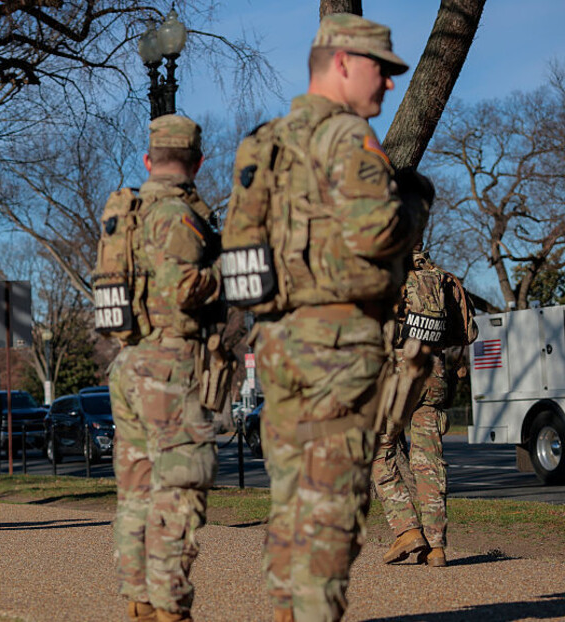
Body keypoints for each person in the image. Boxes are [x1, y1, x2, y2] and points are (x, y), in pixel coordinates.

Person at [222, 13, 429, 621]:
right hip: (338, 348)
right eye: (381, 68)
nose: (389, 83)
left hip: (280, 343)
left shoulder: (262, 144)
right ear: (342, 63)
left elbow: (240, 250)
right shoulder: (345, 136)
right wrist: (415, 202)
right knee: (332, 513)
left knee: (294, 507)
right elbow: (378, 231)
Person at [107, 114, 220, 622]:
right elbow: (181, 287)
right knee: (179, 489)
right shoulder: (176, 214)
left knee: (137, 490)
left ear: (148, 161)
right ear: (198, 162)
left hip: (130, 363)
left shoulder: (128, 214)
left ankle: (141, 600)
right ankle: (170, 607)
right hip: (169, 365)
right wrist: (228, 272)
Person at [371, 247, 452, 568]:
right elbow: (467, 331)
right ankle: (437, 547)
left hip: (399, 374)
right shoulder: (440, 279)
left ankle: (407, 530)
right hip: (434, 374)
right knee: (430, 461)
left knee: (378, 450)